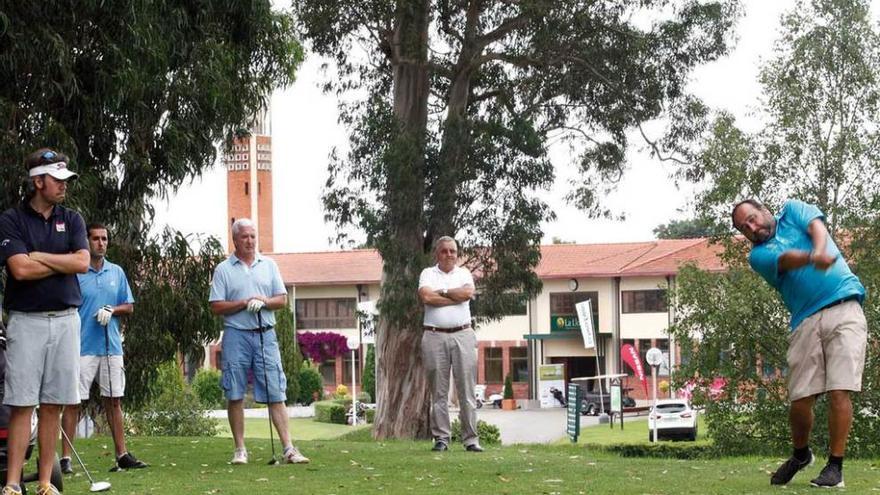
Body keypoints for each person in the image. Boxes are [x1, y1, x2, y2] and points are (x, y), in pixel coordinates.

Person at [732, 198, 867, 488]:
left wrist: (819, 250)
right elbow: (787, 259)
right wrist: (812, 259)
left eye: (753, 218)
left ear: (765, 210)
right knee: (800, 399)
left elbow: (818, 228)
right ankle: (801, 454)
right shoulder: (758, 256)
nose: (753, 227)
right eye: (746, 228)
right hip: (805, 319)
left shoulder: (793, 210)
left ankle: (835, 468)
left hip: (845, 306)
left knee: (839, 389)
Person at [0, 149, 89, 495]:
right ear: (39, 181)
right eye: (57, 180)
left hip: (66, 320)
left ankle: (46, 483)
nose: (64, 186)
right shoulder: (12, 219)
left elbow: (82, 262)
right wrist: (60, 260)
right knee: (22, 402)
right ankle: (11, 484)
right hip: (26, 321)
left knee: (53, 402)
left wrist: (39, 256)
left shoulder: (74, 219)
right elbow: (19, 270)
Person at [209, 218, 308, 465]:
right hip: (236, 336)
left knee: (276, 391)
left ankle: (289, 448)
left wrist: (263, 301)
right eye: (245, 237)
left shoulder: (269, 265)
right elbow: (216, 306)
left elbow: (282, 300)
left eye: (253, 236)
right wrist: (243, 303)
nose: (250, 241)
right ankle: (240, 450)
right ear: (235, 240)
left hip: (266, 334)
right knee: (235, 393)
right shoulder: (223, 269)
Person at [60, 223, 147, 473]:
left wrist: (113, 309)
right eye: (96, 239)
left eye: (104, 239)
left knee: (114, 401)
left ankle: (122, 455)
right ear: (87, 241)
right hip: (81, 346)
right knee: (73, 402)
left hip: (111, 346)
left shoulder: (116, 272)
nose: (101, 243)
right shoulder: (77, 272)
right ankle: (66, 459)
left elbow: (128, 306)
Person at [418, 236, 482, 452]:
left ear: (457, 253)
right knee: (439, 392)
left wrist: (442, 293)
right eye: (444, 251)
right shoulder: (427, 273)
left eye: (453, 251)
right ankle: (442, 439)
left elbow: (467, 294)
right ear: (437, 253)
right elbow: (427, 297)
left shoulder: (464, 274)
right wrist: (454, 296)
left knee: (467, 390)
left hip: (463, 334)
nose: (449, 255)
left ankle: (471, 440)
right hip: (434, 336)